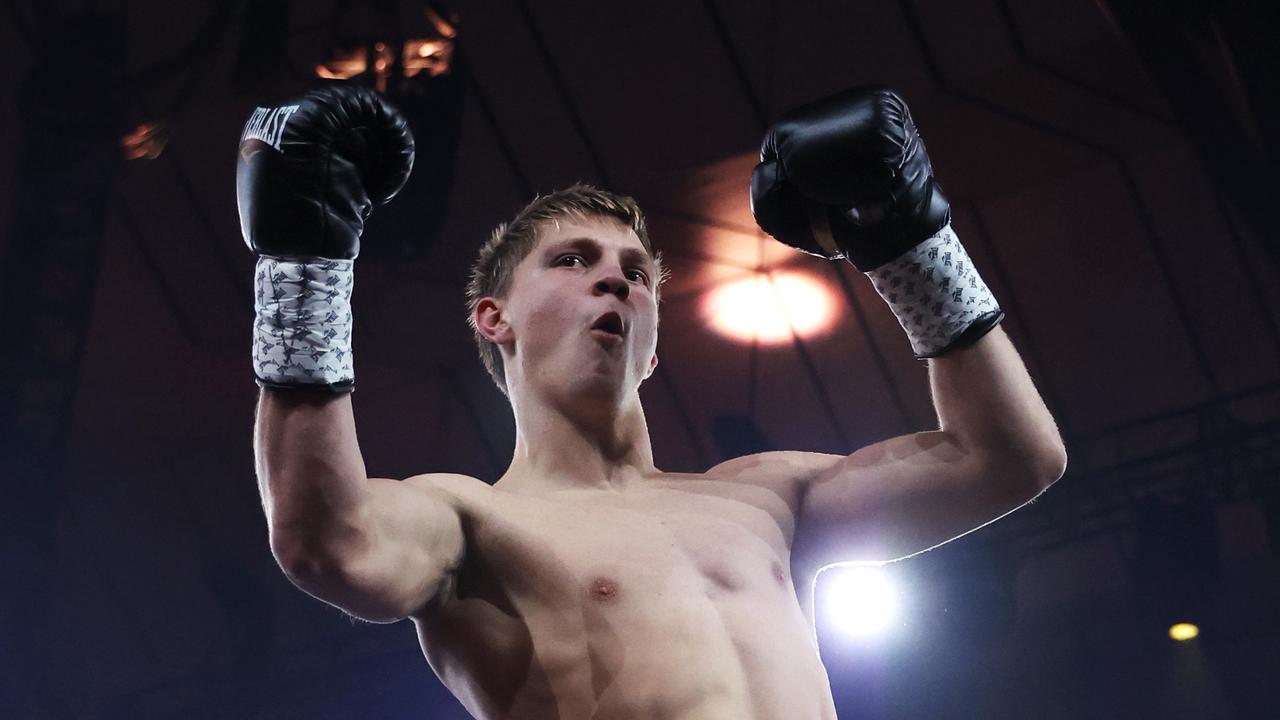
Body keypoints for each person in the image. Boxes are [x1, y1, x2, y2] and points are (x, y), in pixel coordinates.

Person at [245, 80, 1067, 719]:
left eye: (636, 272)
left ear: (654, 345)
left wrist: (909, 240)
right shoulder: (471, 523)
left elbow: (1010, 458)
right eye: (572, 261)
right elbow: (328, 543)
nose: (615, 277)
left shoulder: (768, 495)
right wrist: (303, 272)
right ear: (494, 318)